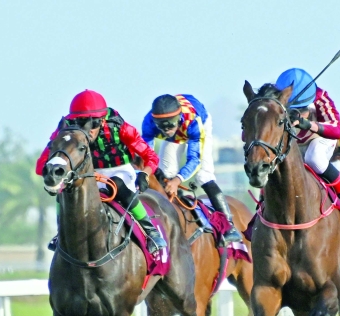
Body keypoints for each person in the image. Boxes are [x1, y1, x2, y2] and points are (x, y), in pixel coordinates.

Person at [36, 89, 167, 256]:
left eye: (94, 123)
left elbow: (151, 156)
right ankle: (61, 232)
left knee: (119, 185)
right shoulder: (67, 130)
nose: (88, 129)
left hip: (120, 170)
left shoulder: (122, 129)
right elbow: (42, 164)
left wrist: (145, 174)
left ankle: (151, 232)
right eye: (81, 122)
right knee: (64, 191)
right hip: (91, 172)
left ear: (103, 120)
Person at [275, 68, 340, 233]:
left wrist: (309, 125)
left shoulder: (320, 97)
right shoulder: (274, 99)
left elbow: (337, 130)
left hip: (319, 138)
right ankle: (262, 209)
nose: (297, 114)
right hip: (295, 142)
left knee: (314, 158)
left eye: (301, 109)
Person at [141, 94, 242, 244]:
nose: (167, 129)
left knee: (203, 176)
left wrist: (177, 181)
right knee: (164, 173)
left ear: (179, 117)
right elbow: (147, 157)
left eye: (170, 124)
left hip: (198, 123)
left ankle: (229, 227)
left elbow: (195, 160)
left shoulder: (194, 123)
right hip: (179, 129)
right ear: (155, 120)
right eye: (162, 125)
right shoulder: (148, 122)